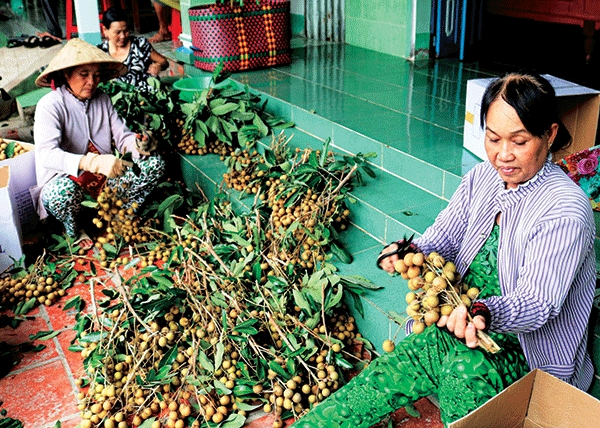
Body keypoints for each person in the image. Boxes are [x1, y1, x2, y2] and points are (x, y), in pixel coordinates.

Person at [291, 72, 597, 427]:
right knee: (380, 380)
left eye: (519, 141)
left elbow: (538, 303)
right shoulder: (482, 178)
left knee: (464, 371)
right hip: (457, 320)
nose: (503, 154)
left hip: (523, 349)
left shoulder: (565, 209)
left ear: (550, 134)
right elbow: (444, 238)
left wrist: (483, 312)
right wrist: (409, 250)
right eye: (494, 138)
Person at [31, 38, 165, 249]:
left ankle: (117, 214)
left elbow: (122, 138)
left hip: (103, 185)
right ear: (67, 74)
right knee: (62, 193)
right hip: (67, 184)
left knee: (154, 164)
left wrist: (139, 145)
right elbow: (47, 155)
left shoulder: (102, 99)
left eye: (96, 75)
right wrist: (91, 162)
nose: (92, 82)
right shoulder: (50, 105)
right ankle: (72, 228)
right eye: (84, 74)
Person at [99, 7, 169, 92]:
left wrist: (158, 66)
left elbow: (163, 61)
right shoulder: (100, 53)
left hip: (145, 94)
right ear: (105, 30)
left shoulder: (140, 44)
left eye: (126, 31)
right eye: (117, 32)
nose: (123, 36)